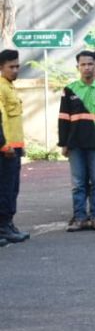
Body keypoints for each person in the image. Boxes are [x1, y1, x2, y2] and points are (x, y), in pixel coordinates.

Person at [59, 50, 95, 231]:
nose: (87, 67)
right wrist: (64, 143)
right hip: (75, 144)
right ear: (78, 67)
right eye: (83, 64)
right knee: (78, 183)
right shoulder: (70, 90)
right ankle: (79, 218)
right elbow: (63, 118)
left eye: (90, 64)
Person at [0, 49, 29, 244]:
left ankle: (8, 224)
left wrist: (20, 146)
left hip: (15, 147)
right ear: (1, 68)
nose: (16, 70)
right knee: (5, 189)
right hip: (6, 149)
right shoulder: (1, 88)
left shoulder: (10, 87)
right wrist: (4, 145)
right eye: (11, 67)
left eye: (17, 66)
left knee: (12, 189)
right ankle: (3, 228)